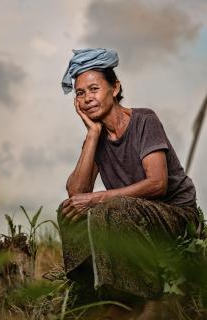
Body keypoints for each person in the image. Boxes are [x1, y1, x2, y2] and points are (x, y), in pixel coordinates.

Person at [58, 48, 199, 320]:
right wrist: (92, 134)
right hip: (128, 213)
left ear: (115, 87)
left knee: (112, 207)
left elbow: (158, 184)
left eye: (94, 89)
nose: (87, 98)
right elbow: (77, 193)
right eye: (80, 93)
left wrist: (99, 198)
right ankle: (110, 295)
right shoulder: (96, 137)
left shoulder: (144, 120)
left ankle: (151, 298)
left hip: (176, 215)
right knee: (70, 212)